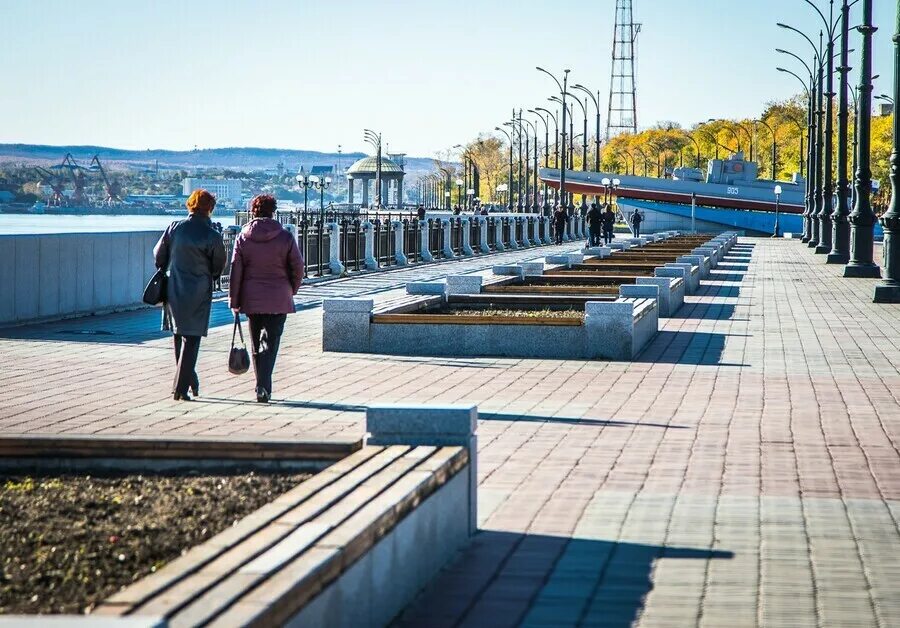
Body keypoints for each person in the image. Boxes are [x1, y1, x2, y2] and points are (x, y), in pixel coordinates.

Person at [229, 194, 304, 403]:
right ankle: (263, 386)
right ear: (274, 211)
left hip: (252, 299)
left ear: (253, 211)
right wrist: (291, 289)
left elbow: (236, 270)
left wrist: (234, 301)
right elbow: (298, 267)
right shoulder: (285, 237)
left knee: (255, 344)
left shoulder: (243, 236)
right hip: (279, 297)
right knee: (271, 343)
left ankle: (260, 385)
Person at [153, 189, 227, 401]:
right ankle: (181, 388)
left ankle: (188, 379)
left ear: (190, 205)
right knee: (192, 338)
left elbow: (158, 256)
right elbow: (218, 266)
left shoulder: (174, 228)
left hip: (174, 287)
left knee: (178, 335)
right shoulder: (212, 235)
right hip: (198, 291)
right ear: (210, 208)